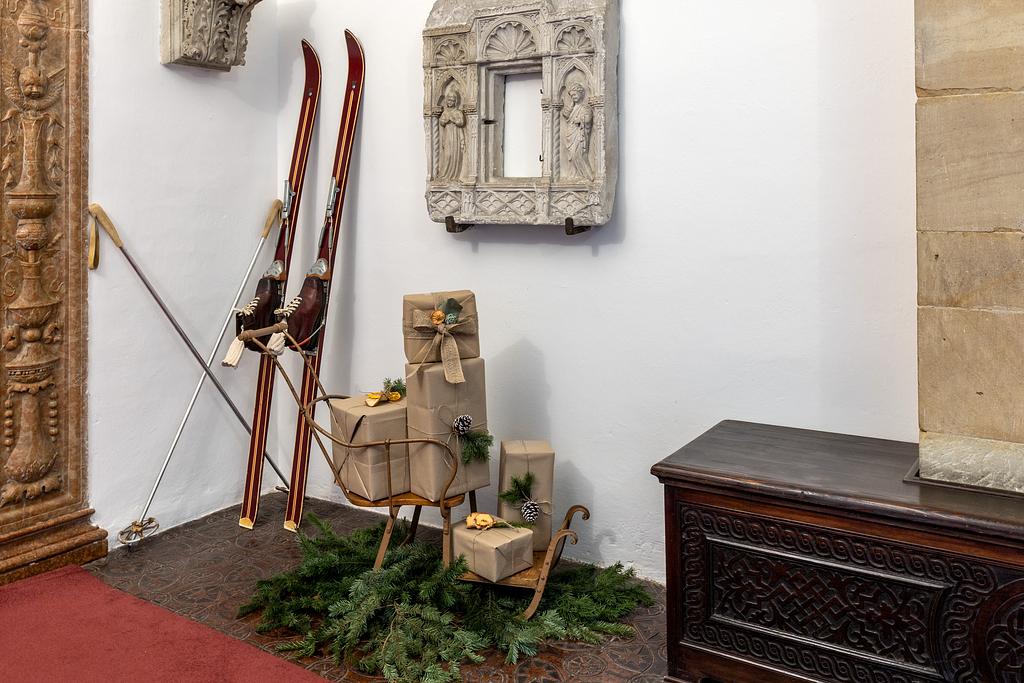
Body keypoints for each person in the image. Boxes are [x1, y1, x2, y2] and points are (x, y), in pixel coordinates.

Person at [562, 83, 594, 180]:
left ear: (581, 94)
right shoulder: (573, 107)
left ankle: (587, 176)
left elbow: (588, 119)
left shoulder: (585, 108)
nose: (573, 97)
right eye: (571, 96)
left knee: (578, 154)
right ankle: (574, 175)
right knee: (572, 155)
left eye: (575, 94)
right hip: (571, 134)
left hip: (580, 135)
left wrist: (580, 119)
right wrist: (571, 104)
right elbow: (565, 115)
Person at [437, 90, 466, 181]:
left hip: (456, 136)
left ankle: (454, 176)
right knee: (448, 155)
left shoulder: (458, 112)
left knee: (454, 155)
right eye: (449, 100)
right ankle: (444, 175)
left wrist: (453, 120)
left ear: (455, 102)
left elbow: (461, 122)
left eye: (452, 100)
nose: (450, 102)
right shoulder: (445, 112)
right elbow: (441, 122)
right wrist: (445, 120)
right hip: (447, 135)